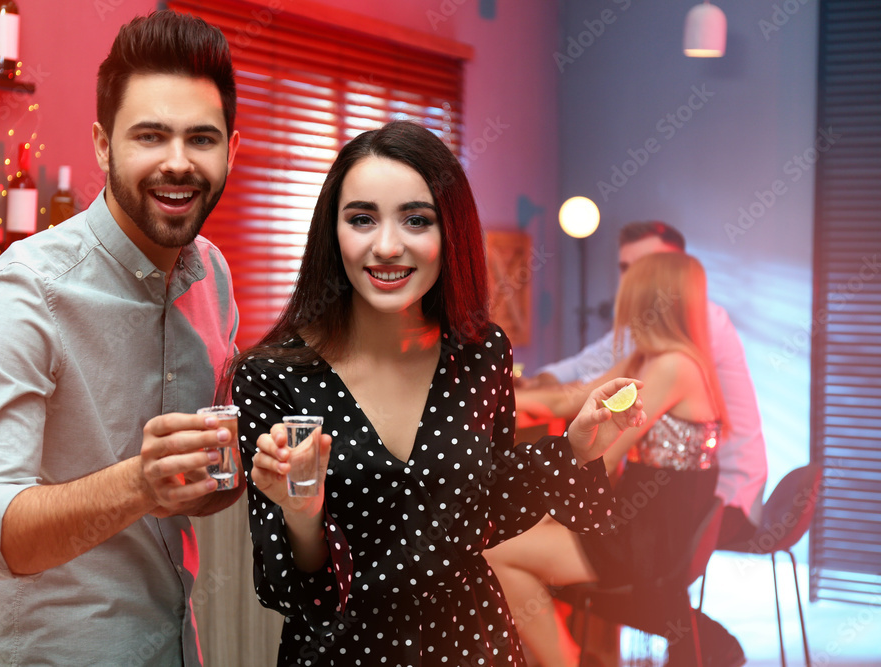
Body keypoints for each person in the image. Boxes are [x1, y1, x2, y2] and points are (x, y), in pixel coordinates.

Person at [228, 120, 645, 666]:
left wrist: (577, 449)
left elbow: (489, 500)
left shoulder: (481, 352)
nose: (386, 246)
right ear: (332, 232)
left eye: (416, 220)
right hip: (343, 651)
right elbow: (290, 588)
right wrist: (304, 516)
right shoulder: (270, 375)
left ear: (451, 232)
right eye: (361, 219)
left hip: (473, 642)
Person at [0, 11, 243, 666]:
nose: (178, 162)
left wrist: (241, 466)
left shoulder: (213, 274)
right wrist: (139, 483)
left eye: (201, 138)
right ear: (103, 146)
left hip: (175, 646)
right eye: (151, 136)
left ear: (231, 150)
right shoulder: (24, 290)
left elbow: (205, 477)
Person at [486, 252, 738, 667]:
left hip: (646, 537)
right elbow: (571, 396)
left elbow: (602, 451)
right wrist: (490, 396)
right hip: (629, 520)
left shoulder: (675, 366)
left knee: (494, 552)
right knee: (500, 545)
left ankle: (568, 662)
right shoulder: (647, 359)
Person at [519, 221, 767, 547]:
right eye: (626, 268)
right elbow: (584, 372)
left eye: (647, 268)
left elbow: (604, 451)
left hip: (720, 498)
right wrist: (512, 388)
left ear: (673, 271)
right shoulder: (649, 342)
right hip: (665, 497)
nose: (633, 278)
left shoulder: (690, 332)